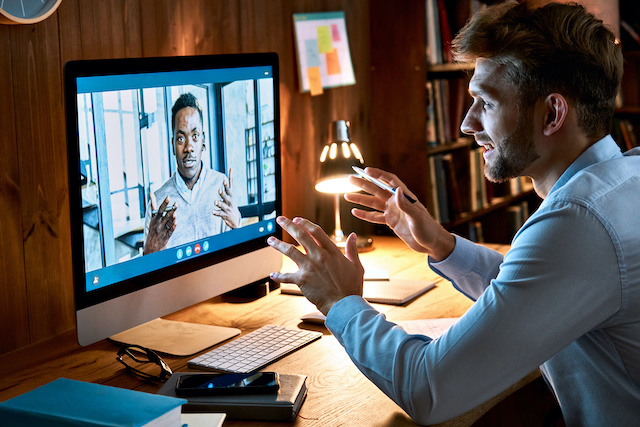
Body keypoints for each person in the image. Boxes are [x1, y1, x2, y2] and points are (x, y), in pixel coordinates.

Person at [267, 1, 640, 425]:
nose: (466, 123)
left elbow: (429, 388)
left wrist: (340, 301)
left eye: (486, 102)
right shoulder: (626, 177)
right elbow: (534, 291)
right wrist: (441, 244)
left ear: (552, 113)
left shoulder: (578, 224)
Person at [143, 92, 241, 254]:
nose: (188, 147)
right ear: (173, 145)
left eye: (195, 136)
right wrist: (150, 250)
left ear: (203, 141)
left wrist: (237, 224)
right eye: (181, 138)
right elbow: (146, 270)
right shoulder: (159, 202)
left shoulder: (221, 185)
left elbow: (238, 253)